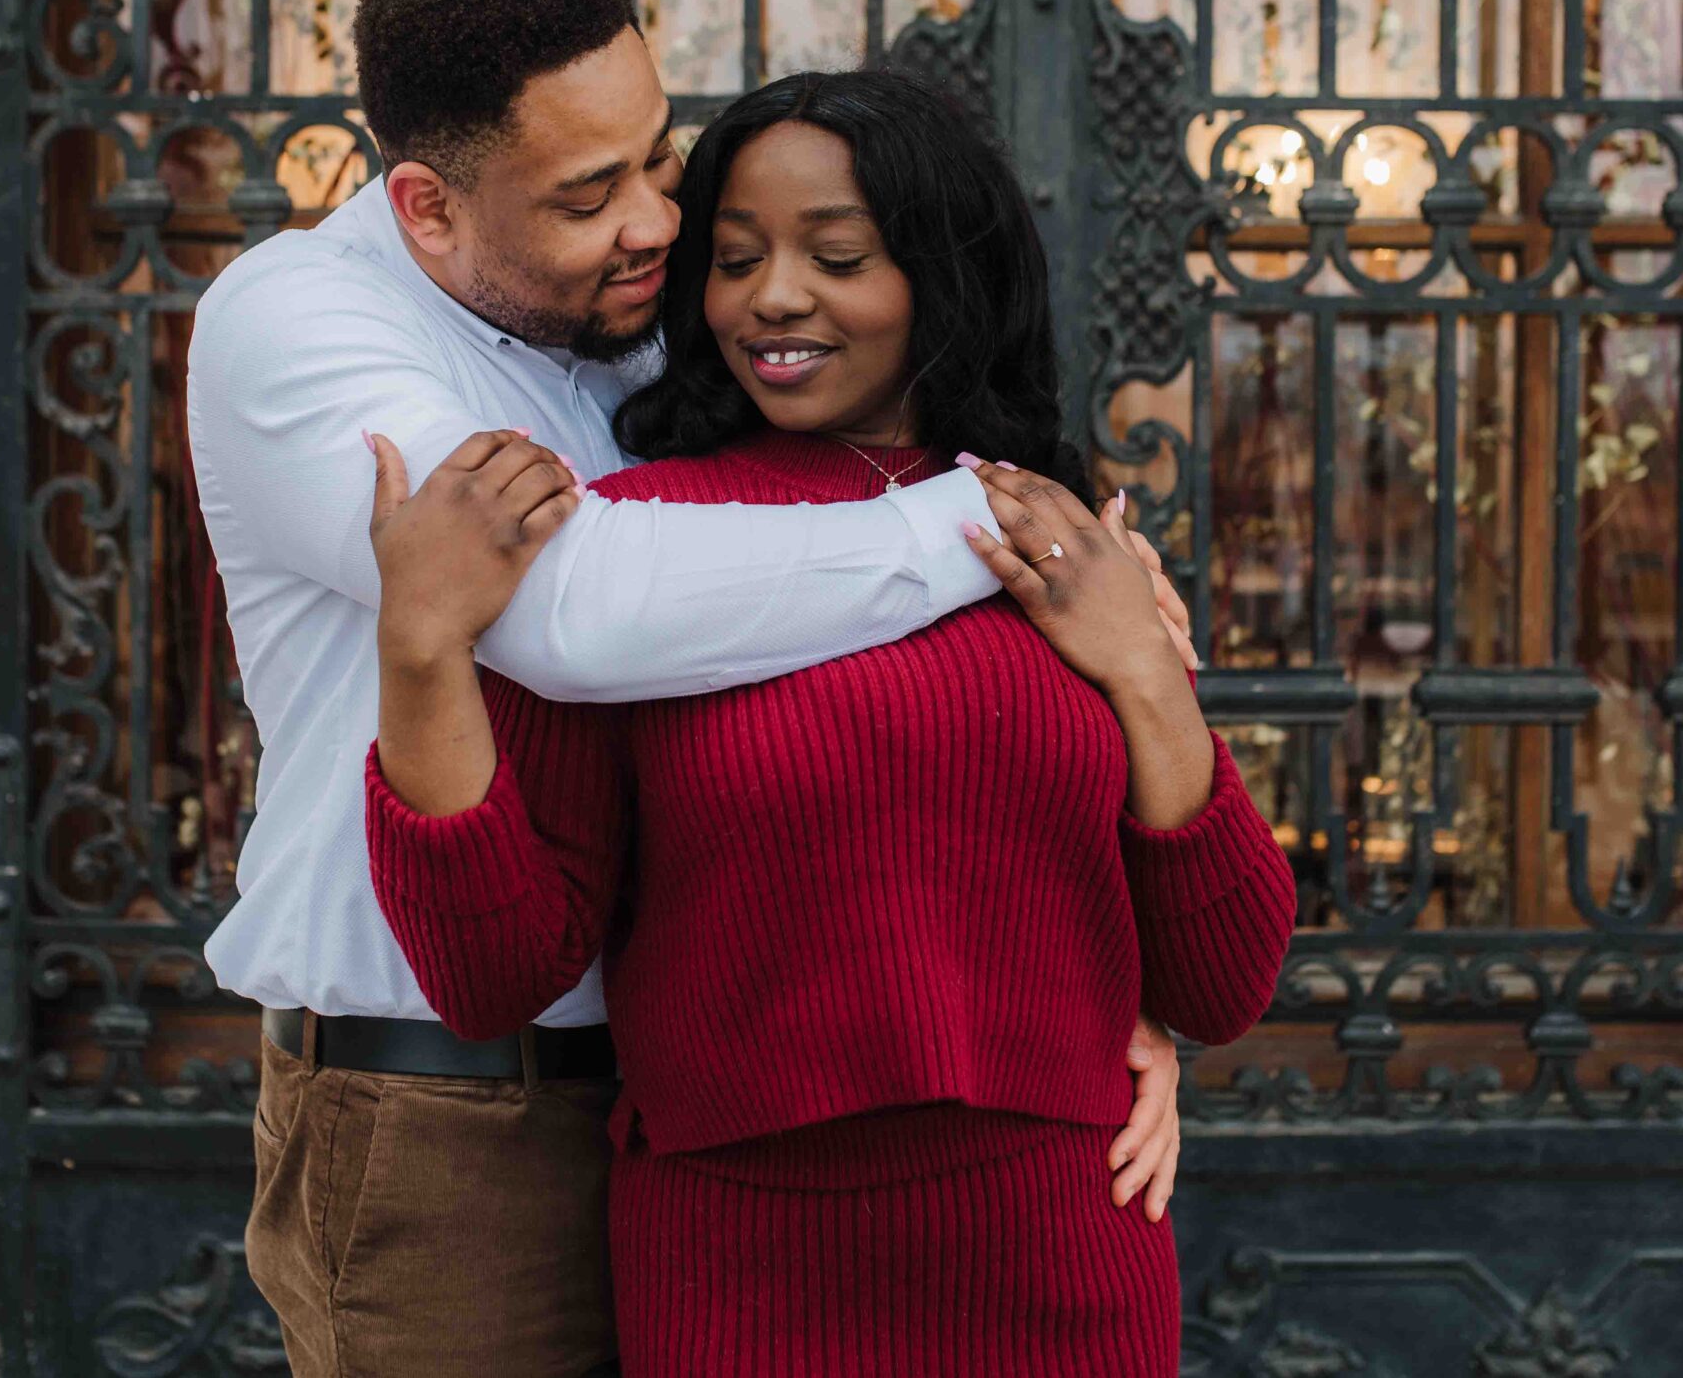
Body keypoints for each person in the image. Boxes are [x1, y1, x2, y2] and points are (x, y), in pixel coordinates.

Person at [186, 0, 1194, 1378]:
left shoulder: (643, 314)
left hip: (705, 1118)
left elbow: (823, 583)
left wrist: (1116, 993)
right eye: (590, 196)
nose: (656, 221)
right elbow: (577, 611)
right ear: (425, 207)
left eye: (657, 160)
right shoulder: (298, 328)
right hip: (453, 1119)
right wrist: (988, 521)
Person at [364, 68, 1298, 1376]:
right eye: (735, 260)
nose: (774, 299)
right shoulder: (634, 546)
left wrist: (1144, 672)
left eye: (838, 254)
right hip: (740, 1268)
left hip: (1059, 1259)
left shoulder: (1056, 538)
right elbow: (497, 972)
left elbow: (1223, 980)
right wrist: (419, 651)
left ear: (938, 273)